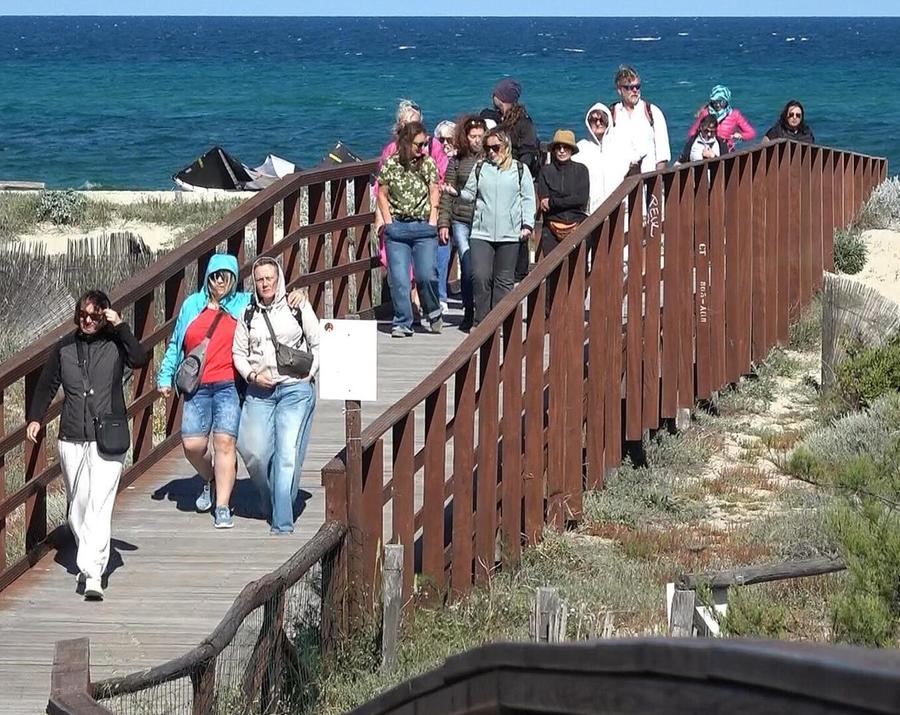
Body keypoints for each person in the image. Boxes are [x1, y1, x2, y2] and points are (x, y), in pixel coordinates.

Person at [157, 255, 306, 528]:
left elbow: (273, 299)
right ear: (208, 279)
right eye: (215, 276)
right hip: (197, 386)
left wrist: (298, 294)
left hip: (229, 384)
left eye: (226, 276)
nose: (220, 281)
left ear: (235, 279)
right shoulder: (192, 305)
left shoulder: (244, 303)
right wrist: (165, 377)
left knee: (225, 443)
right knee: (192, 445)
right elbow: (176, 343)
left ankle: (223, 506)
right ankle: (211, 478)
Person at [26, 290, 148, 600]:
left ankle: (93, 574)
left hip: (108, 436)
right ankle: (89, 555)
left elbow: (139, 358)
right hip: (72, 436)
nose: (88, 320)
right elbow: (47, 383)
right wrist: (35, 417)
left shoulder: (116, 343)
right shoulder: (65, 346)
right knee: (77, 510)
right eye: (83, 315)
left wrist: (120, 325)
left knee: (99, 506)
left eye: (95, 315)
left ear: (105, 315)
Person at [233, 257, 319, 535]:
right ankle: (270, 498)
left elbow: (317, 341)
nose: (265, 283)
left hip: (294, 389)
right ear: (254, 283)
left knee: (287, 454)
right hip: (260, 389)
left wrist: (309, 374)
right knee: (252, 451)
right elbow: (238, 353)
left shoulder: (297, 306)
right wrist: (252, 376)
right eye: (260, 279)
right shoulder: (248, 314)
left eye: (270, 277)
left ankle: (282, 522)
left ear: (279, 278)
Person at [374, 100, 449, 322]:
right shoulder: (390, 152)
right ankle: (406, 316)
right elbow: (380, 190)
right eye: (406, 124)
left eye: (415, 124)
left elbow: (440, 181)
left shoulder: (431, 150)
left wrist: (435, 218)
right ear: (399, 126)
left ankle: (427, 307)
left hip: (424, 220)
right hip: (396, 221)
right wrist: (383, 219)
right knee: (398, 271)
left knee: (424, 272)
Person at [462, 128, 536, 326]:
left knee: (504, 281)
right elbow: (469, 194)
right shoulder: (480, 167)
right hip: (481, 232)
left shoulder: (520, 170)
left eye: (496, 147)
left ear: (506, 146)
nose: (492, 152)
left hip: (510, 233)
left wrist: (527, 224)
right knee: (480, 276)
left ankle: (499, 322)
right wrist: (452, 191)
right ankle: (482, 322)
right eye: (488, 148)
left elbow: (528, 199)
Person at [482, 78, 541, 282]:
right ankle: (502, 269)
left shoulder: (523, 123)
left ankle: (519, 272)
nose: (494, 100)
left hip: (514, 177)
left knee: (518, 222)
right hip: (496, 177)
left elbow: (528, 151)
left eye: (497, 96)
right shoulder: (495, 118)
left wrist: (517, 172)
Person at [438, 115, 486, 331]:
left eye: (480, 135)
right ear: (465, 137)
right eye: (473, 136)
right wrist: (443, 223)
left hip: (483, 220)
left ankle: (482, 309)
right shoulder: (456, 161)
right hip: (461, 220)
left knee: (482, 269)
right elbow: (447, 194)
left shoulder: (490, 158)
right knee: (467, 265)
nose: (477, 140)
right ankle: (468, 310)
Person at [537, 129, 590, 261]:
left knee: (578, 269)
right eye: (558, 147)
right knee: (552, 271)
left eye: (566, 147)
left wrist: (553, 202)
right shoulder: (545, 171)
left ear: (571, 150)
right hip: (551, 228)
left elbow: (581, 199)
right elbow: (544, 204)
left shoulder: (581, 170)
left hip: (578, 225)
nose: (562, 150)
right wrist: (569, 201)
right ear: (554, 150)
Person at [608, 65, 671, 172]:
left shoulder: (652, 112)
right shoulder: (612, 114)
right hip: (620, 183)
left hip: (647, 181)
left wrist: (657, 183)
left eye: (637, 86)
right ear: (619, 90)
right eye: (629, 87)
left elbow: (662, 154)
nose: (635, 91)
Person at [574, 103, 630, 213]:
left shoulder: (621, 146)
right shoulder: (580, 149)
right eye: (594, 120)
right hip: (591, 212)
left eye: (602, 119)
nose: (598, 123)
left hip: (619, 209)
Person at [687, 85, 756, 152]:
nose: (718, 105)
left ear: (726, 101)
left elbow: (751, 133)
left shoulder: (734, 115)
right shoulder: (706, 113)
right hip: (707, 152)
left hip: (727, 153)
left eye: (721, 102)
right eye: (715, 101)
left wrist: (741, 136)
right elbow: (692, 133)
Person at [433, 119, 457, 312]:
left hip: (461, 214)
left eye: (450, 139)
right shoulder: (431, 160)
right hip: (440, 214)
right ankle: (440, 296)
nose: (446, 144)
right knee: (442, 253)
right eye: (441, 140)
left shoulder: (461, 160)